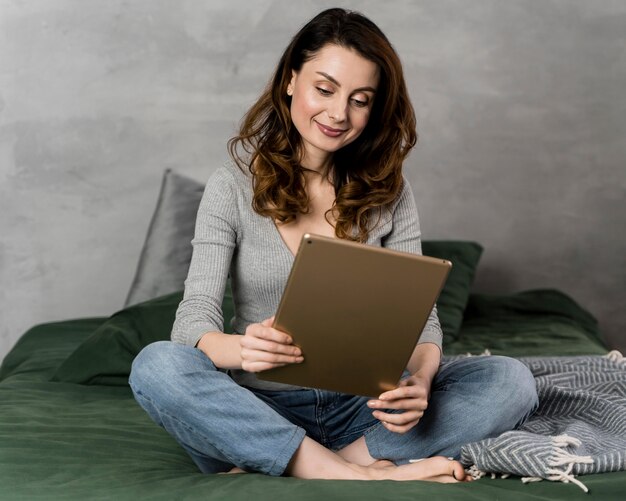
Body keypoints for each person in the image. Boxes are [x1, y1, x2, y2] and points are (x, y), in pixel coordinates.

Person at [129, 8, 538, 482]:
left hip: (364, 411)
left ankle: (322, 462)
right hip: (257, 409)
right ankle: (362, 473)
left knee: (510, 380)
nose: (339, 114)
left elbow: (419, 318)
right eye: (324, 89)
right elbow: (195, 316)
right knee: (156, 366)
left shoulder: (391, 192)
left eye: (360, 100)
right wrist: (243, 350)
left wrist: (420, 383)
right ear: (290, 80)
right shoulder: (232, 186)